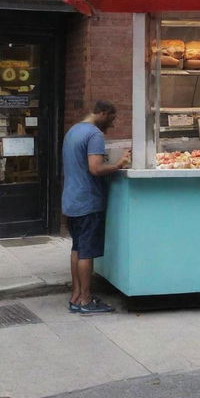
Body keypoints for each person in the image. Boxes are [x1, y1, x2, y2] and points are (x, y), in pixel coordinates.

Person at [62, 100, 131, 314]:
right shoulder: (94, 135)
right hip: (88, 201)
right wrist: (118, 165)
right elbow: (95, 168)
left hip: (71, 199)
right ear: (102, 113)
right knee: (87, 252)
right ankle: (85, 300)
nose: (112, 123)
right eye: (111, 118)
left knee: (77, 248)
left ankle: (75, 295)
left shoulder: (73, 131)